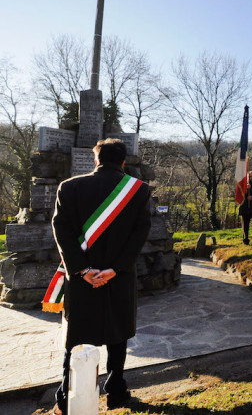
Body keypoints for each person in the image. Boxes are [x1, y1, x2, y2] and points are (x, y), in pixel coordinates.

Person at [51, 138, 151, 414]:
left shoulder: (69, 187)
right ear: (122, 162)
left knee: (77, 338)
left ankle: (64, 399)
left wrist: (81, 269)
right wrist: (116, 268)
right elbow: (140, 233)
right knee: (118, 335)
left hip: (82, 278)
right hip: (118, 276)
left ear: (95, 159)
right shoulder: (138, 190)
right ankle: (116, 392)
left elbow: (61, 232)